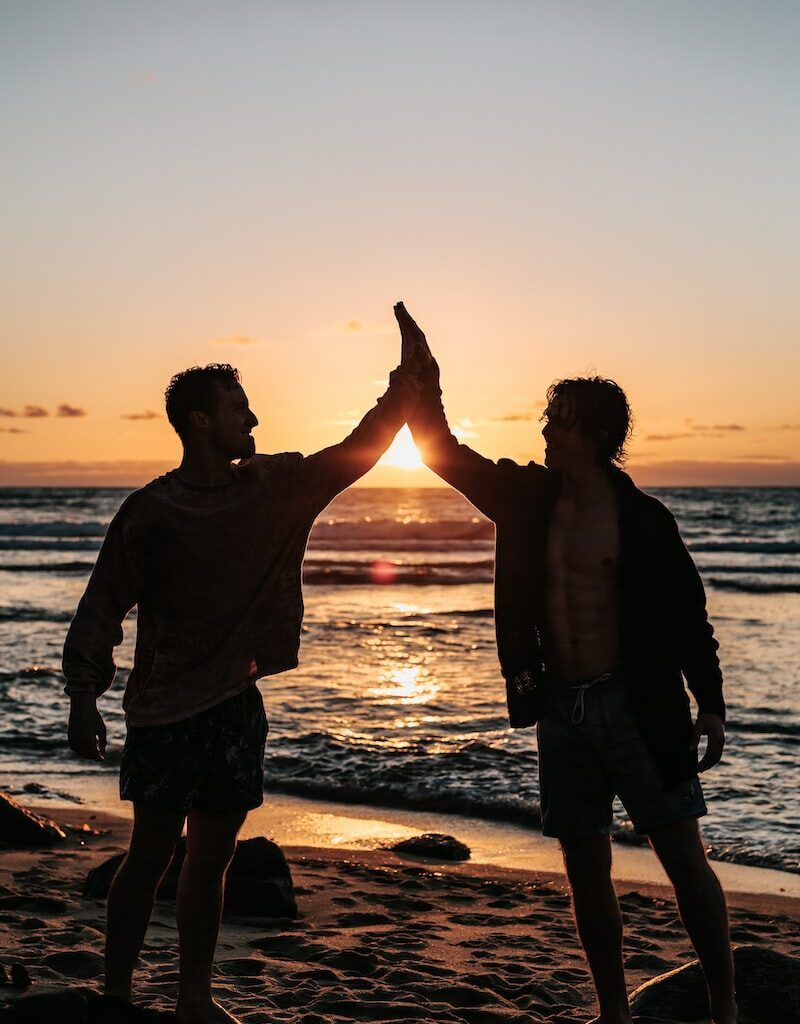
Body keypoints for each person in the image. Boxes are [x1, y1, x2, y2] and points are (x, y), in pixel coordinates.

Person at [394, 301, 737, 1024]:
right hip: (562, 709)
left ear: (597, 434)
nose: (546, 430)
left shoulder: (644, 521)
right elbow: (442, 452)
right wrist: (423, 374)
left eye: (560, 421)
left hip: (639, 709)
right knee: (586, 872)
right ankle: (613, 1011)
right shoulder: (527, 499)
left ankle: (725, 1004)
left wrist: (710, 701)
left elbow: (686, 615)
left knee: (682, 856)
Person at [64, 351, 422, 1024]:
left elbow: (355, 452)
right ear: (201, 423)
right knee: (150, 854)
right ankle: (115, 994)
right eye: (238, 407)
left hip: (236, 703)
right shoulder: (152, 511)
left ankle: (193, 998)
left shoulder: (271, 485)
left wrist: (406, 385)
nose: (253, 417)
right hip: (165, 711)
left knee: (214, 859)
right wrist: (83, 696)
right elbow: (102, 604)